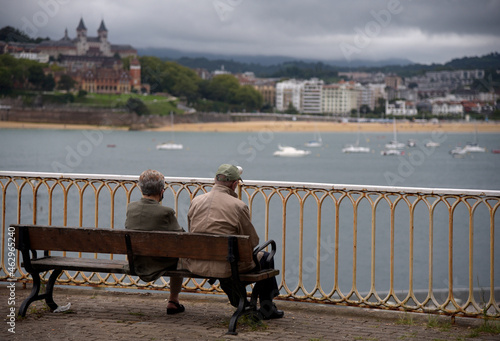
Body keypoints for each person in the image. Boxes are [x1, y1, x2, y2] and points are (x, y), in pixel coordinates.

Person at [184, 164, 284, 320]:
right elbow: (252, 241)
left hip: (197, 263)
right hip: (226, 266)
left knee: (229, 260)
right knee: (265, 257)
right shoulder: (238, 206)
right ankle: (267, 307)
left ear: (215, 180)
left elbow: (192, 231)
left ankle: (240, 302)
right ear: (235, 184)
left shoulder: (196, 201)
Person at [125, 169, 185, 315]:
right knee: (179, 257)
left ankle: (173, 300)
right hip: (158, 262)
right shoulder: (166, 212)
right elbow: (182, 239)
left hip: (136, 261)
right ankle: (173, 300)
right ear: (161, 191)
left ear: (141, 189)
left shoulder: (131, 208)